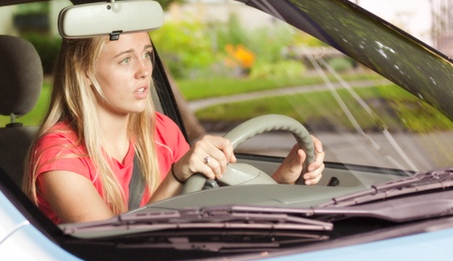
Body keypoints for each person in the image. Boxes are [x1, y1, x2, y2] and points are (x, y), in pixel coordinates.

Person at [24, 31, 325, 224]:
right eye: (125, 60)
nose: (145, 71)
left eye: (146, 54)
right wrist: (177, 174)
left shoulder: (161, 130)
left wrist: (282, 179)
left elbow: (207, 211)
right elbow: (112, 248)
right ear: (85, 72)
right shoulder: (59, 156)